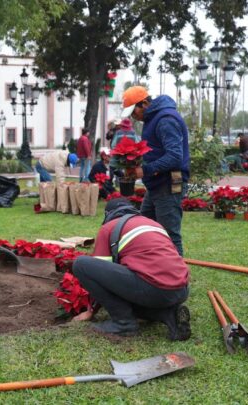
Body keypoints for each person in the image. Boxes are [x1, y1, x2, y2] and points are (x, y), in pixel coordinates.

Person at [71, 198, 191, 340]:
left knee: (81, 264)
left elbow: (99, 273)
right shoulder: (153, 224)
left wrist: (91, 310)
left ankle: (123, 323)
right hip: (181, 290)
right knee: (133, 292)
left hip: (154, 288)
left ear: (108, 214)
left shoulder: (109, 227)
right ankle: (168, 315)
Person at [120, 86, 189, 256]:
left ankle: (178, 280)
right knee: (146, 228)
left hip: (168, 184)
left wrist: (145, 170)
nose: (133, 117)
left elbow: (175, 156)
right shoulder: (153, 119)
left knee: (169, 234)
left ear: (144, 103)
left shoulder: (165, 119)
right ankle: (153, 267)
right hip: (157, 184)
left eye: (133, 111)